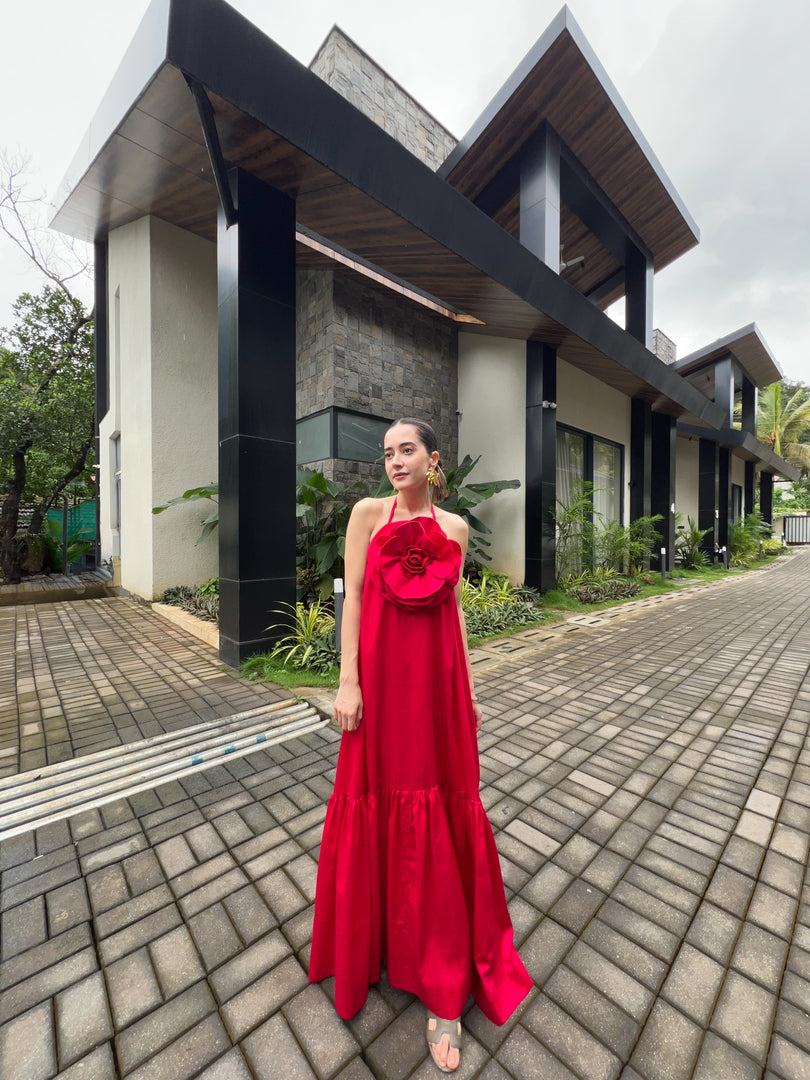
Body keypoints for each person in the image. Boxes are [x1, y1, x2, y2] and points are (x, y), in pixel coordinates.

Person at [309, 418, 532, 1072]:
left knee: (437, 811)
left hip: (435, 693)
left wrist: (467, 693)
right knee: (374, 801)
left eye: (406, 450)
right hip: (378, 689)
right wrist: (346, 682)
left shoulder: (456, 529)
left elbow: (454, 614)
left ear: (434, 461)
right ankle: (373, 945)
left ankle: (443, 993)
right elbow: (349, 603)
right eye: (387, 453)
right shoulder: (367, 515)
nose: (394, 461)